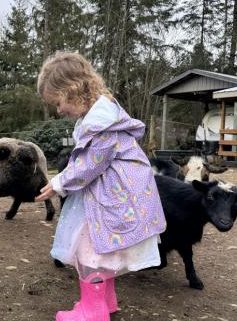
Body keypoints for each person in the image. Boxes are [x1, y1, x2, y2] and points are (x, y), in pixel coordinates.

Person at [35, 51, 166, 321]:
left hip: (111, 198)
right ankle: (105, 301)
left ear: (72, 90)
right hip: (114, 195)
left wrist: (59, 182)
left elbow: (90, 165)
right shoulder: (103, 115)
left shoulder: (102, 123)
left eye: (58, 103)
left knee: (89, 251)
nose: (59, 111)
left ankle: (92, 312)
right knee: (103, 249)